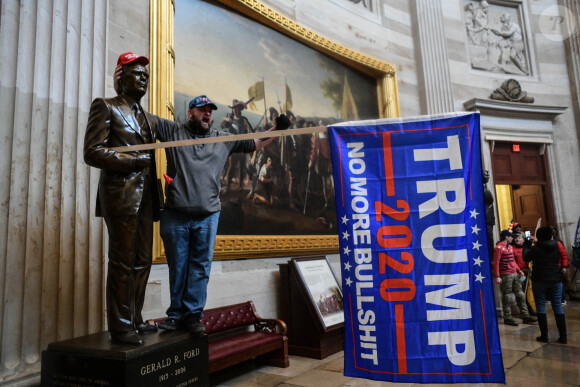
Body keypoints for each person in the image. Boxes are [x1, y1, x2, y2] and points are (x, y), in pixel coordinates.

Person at [155, 96, 288, 334]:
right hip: (175, 214)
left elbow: (256, 143)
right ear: (190, 113)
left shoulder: (222, 139)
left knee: (200, 267)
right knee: (178, 267)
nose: (207, 114)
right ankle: (175, 315)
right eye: (201, 110)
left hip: (207, 216)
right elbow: (143, 122)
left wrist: (277, 130)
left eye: (210, 111)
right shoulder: (173, 130)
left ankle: (193, 315)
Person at [84, 52, 161, 345]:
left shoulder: (147, 118)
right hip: (122, 198)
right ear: (121, 76)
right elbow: (92, 151)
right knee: (122, 263)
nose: (143, 78)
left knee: (142, 261)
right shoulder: (105, 107)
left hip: (147, 200)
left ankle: (135, 318)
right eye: (137, 73)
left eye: (146, 76)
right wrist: (130, 162)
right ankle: (120, 325)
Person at [524, 226, 568, 344]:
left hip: (540, 280)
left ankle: (544, 336)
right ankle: (563, 337)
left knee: (540, 306)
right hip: (555, 278)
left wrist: (527, 245)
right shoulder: (557, 245)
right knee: (557, 306)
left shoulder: (536, 248)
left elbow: (526, 257)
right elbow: (564, 255)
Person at [493, 230, 536, 326]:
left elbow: (513, 261)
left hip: (514, 273)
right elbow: (496, 263)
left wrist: (518, 270)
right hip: (505, 274)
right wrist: (497, 276)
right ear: (506, 237)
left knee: (520, 294)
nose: (512, 238)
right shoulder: (499, 248)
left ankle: (525, 316)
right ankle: (508, 318)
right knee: (507, 296)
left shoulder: (510, 247)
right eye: (511, 236)